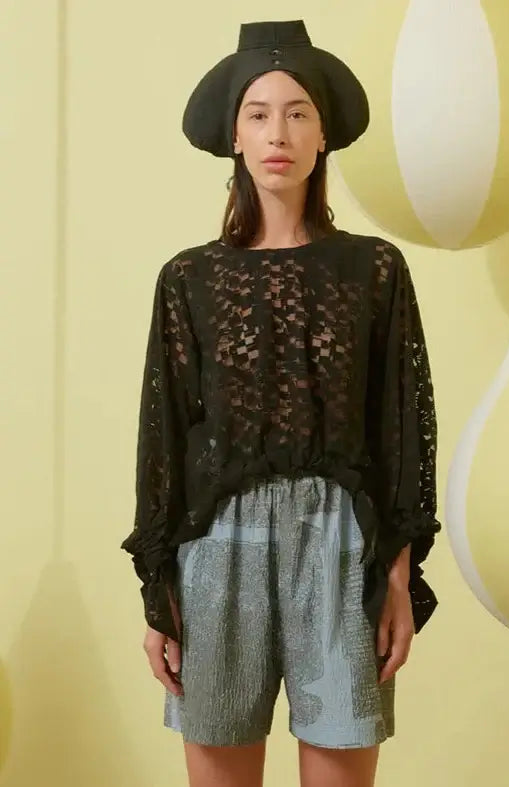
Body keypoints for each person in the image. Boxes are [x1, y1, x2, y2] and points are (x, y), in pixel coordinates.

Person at [121, 19, 441, 787]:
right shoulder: (189, 278)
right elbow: (164, 436)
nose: (278, 133)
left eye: (298, 113)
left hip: (342, 546)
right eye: (259, 114)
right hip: (216, 551)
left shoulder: (375, 269)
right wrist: (159, 595)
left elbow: (402, 427)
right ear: (234, 135)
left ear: (323, 134)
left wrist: (397, 578)